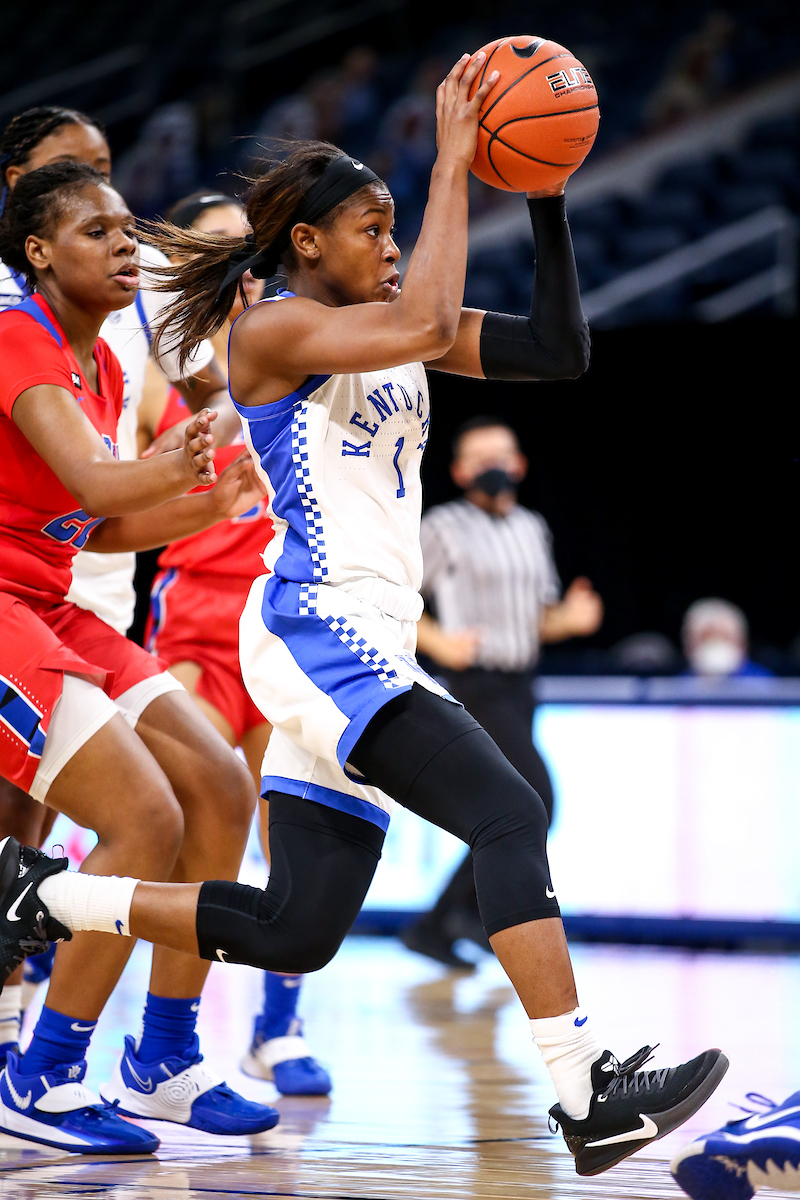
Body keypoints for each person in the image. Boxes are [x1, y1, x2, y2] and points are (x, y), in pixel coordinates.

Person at [0, 53, 727, 1178]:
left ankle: (52, 899)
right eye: (370, 225)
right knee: (507, 809)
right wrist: (448, 163)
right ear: (305, 244)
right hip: (316, 628)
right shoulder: (275, 334)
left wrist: (542, 198)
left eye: (396, 225)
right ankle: (584, 1090)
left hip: (368, 637)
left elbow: (556, 350)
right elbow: (430, 309)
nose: (390, 245)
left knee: (298, 928)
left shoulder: (396, 325)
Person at [0, 161, 279, 1152]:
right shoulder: (15, 337)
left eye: (130, 232)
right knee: (142, 818)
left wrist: (212, 496)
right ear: (37, 251)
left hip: (50, 597)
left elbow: (89, 525)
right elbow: (95, 477)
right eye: (97, 230)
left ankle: (163, 1055)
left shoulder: (107, 368)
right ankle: (43, 1070)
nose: (126, 246)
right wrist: (180, 460)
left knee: (217, 788)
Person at [140, 189, 331, 1096]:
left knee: (288, 833)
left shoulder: (295, 341)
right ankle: (126, 1026)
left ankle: (278, 1028)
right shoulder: (161, 360)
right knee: (169, 820)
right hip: (195, 616)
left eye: (242, 246)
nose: (235, 258)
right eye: (213, 245)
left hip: (282, 610)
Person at [404, 416, 603, 967]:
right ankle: (460, 916)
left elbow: (537, 620)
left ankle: (441, 922)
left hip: (522, 685)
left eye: (502, 454)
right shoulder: (442, 527)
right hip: (478, 685)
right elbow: (399, 598)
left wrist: (571, 619)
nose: (493, 465)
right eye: (479, 456)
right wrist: (440, 643)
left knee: (508, 809)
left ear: (519, 464)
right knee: (535, 799)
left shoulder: (532, 528)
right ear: (460, 470)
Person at [682, 597, 772, 678]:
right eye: (707, 637)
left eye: (724, 637)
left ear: (742, 644)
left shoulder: (764, 682)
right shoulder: (678, 686)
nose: (715, 645)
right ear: (689, 646)